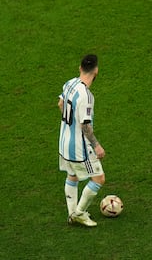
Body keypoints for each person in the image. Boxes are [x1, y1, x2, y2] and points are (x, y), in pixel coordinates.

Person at [58, 54, 106, 227]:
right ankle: (79, 213)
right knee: (98, 179)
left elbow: (61, 105)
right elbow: (85, 126)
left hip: (63, 143)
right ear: (96, 71)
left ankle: (72, 214)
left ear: (80, 68)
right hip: (79, 148)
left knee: (72, 175)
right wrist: (97, 145)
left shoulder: (69, 83)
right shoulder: (86, 96)